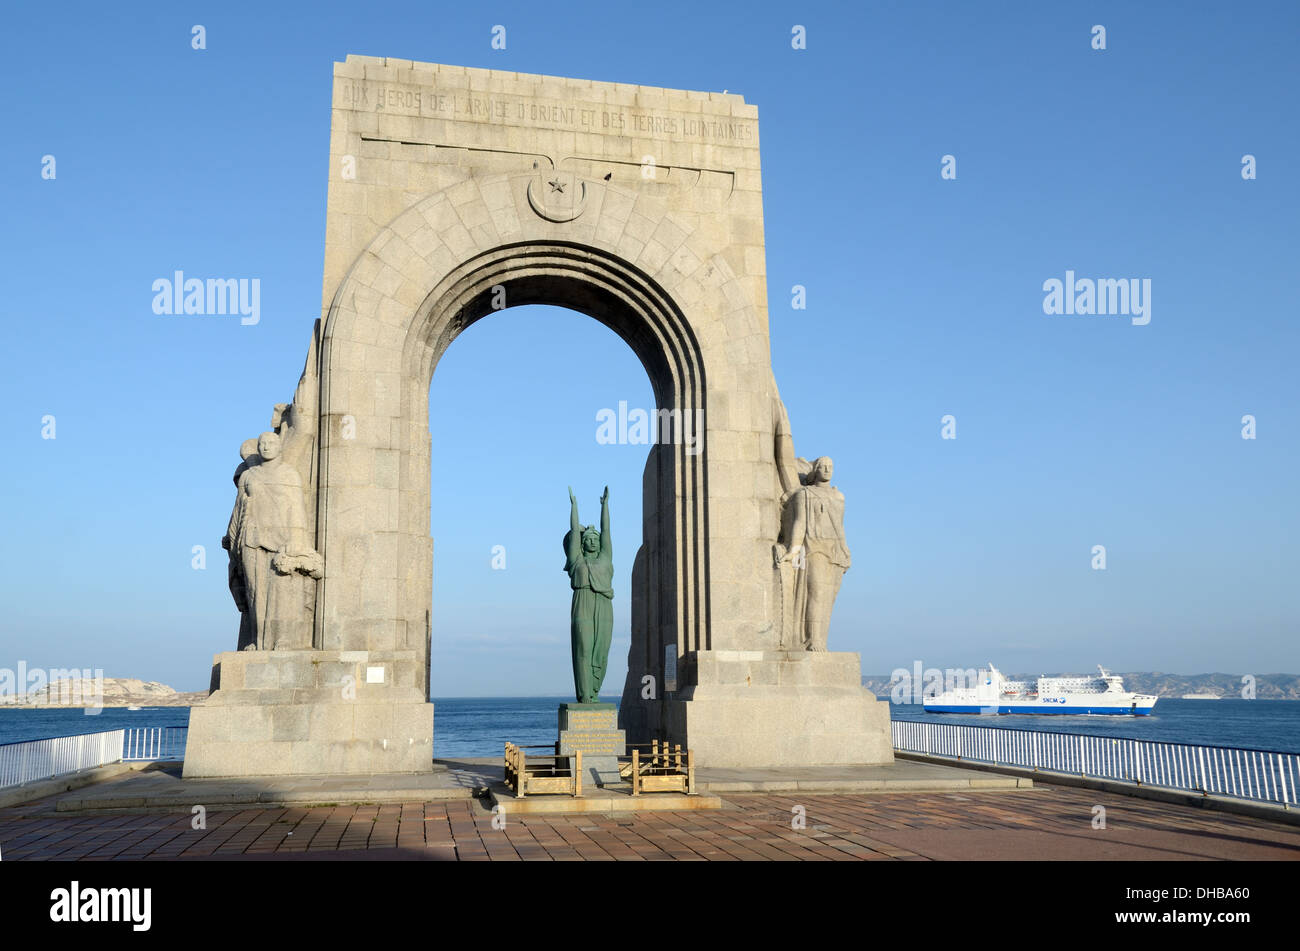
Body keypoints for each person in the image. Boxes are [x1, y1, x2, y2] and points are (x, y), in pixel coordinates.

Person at [774, 456, 850, 651]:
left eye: (830, 466)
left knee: (828, 597)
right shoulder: (804, 494)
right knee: (815, 592)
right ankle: (812, 639)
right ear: (815, 470)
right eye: (822, 466)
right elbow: (799, 524)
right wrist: (793, 550)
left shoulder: (839, 496)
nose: (827, 469)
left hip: (834, 551)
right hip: (813, 548)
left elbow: (839, 527)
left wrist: (845, 549)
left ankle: (821, 640)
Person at [564, 486, 613, 703]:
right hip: (582, 602)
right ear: (582, 544)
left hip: (603, 605)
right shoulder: (577, 560)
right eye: (588, 539)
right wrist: (574, 506)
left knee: (601, 650)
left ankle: (595, 692)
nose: (592, 541)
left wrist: (605, 506)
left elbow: (607, 531)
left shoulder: (605, 559)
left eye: (595, 538)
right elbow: (575, 531)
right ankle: (584, 695)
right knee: (583, 648)